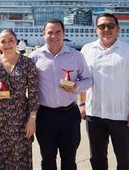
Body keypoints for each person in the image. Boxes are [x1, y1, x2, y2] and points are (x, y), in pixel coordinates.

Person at [80, 13, 129, 170]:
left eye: (110, 26)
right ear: (96, 29)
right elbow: (82, 79)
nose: (106, 29)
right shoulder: (87, 50)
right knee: (97, 158)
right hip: (94, 114)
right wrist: (81, 103)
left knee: (125, 160)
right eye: (102, 26)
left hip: (121, 116)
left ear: (118, 29)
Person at [30, 19, 92, 170]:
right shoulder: (34, 57)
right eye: (50, 32)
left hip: (69, 114)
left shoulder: (76, 56)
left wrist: (77, 86)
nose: (54, 36)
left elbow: (89, 80)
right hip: (45, 115)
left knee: (69, 159)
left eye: (58, 32)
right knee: (47, 159)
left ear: (64, 34)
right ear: (44, 34)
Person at [0, 29, 39, 169]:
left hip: (20, 118)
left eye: (10, 40)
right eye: (3, 41)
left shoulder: (27, 63)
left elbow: (34, 93)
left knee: (19, 156)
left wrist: (32, 119)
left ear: (17, 42)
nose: (7, 44)